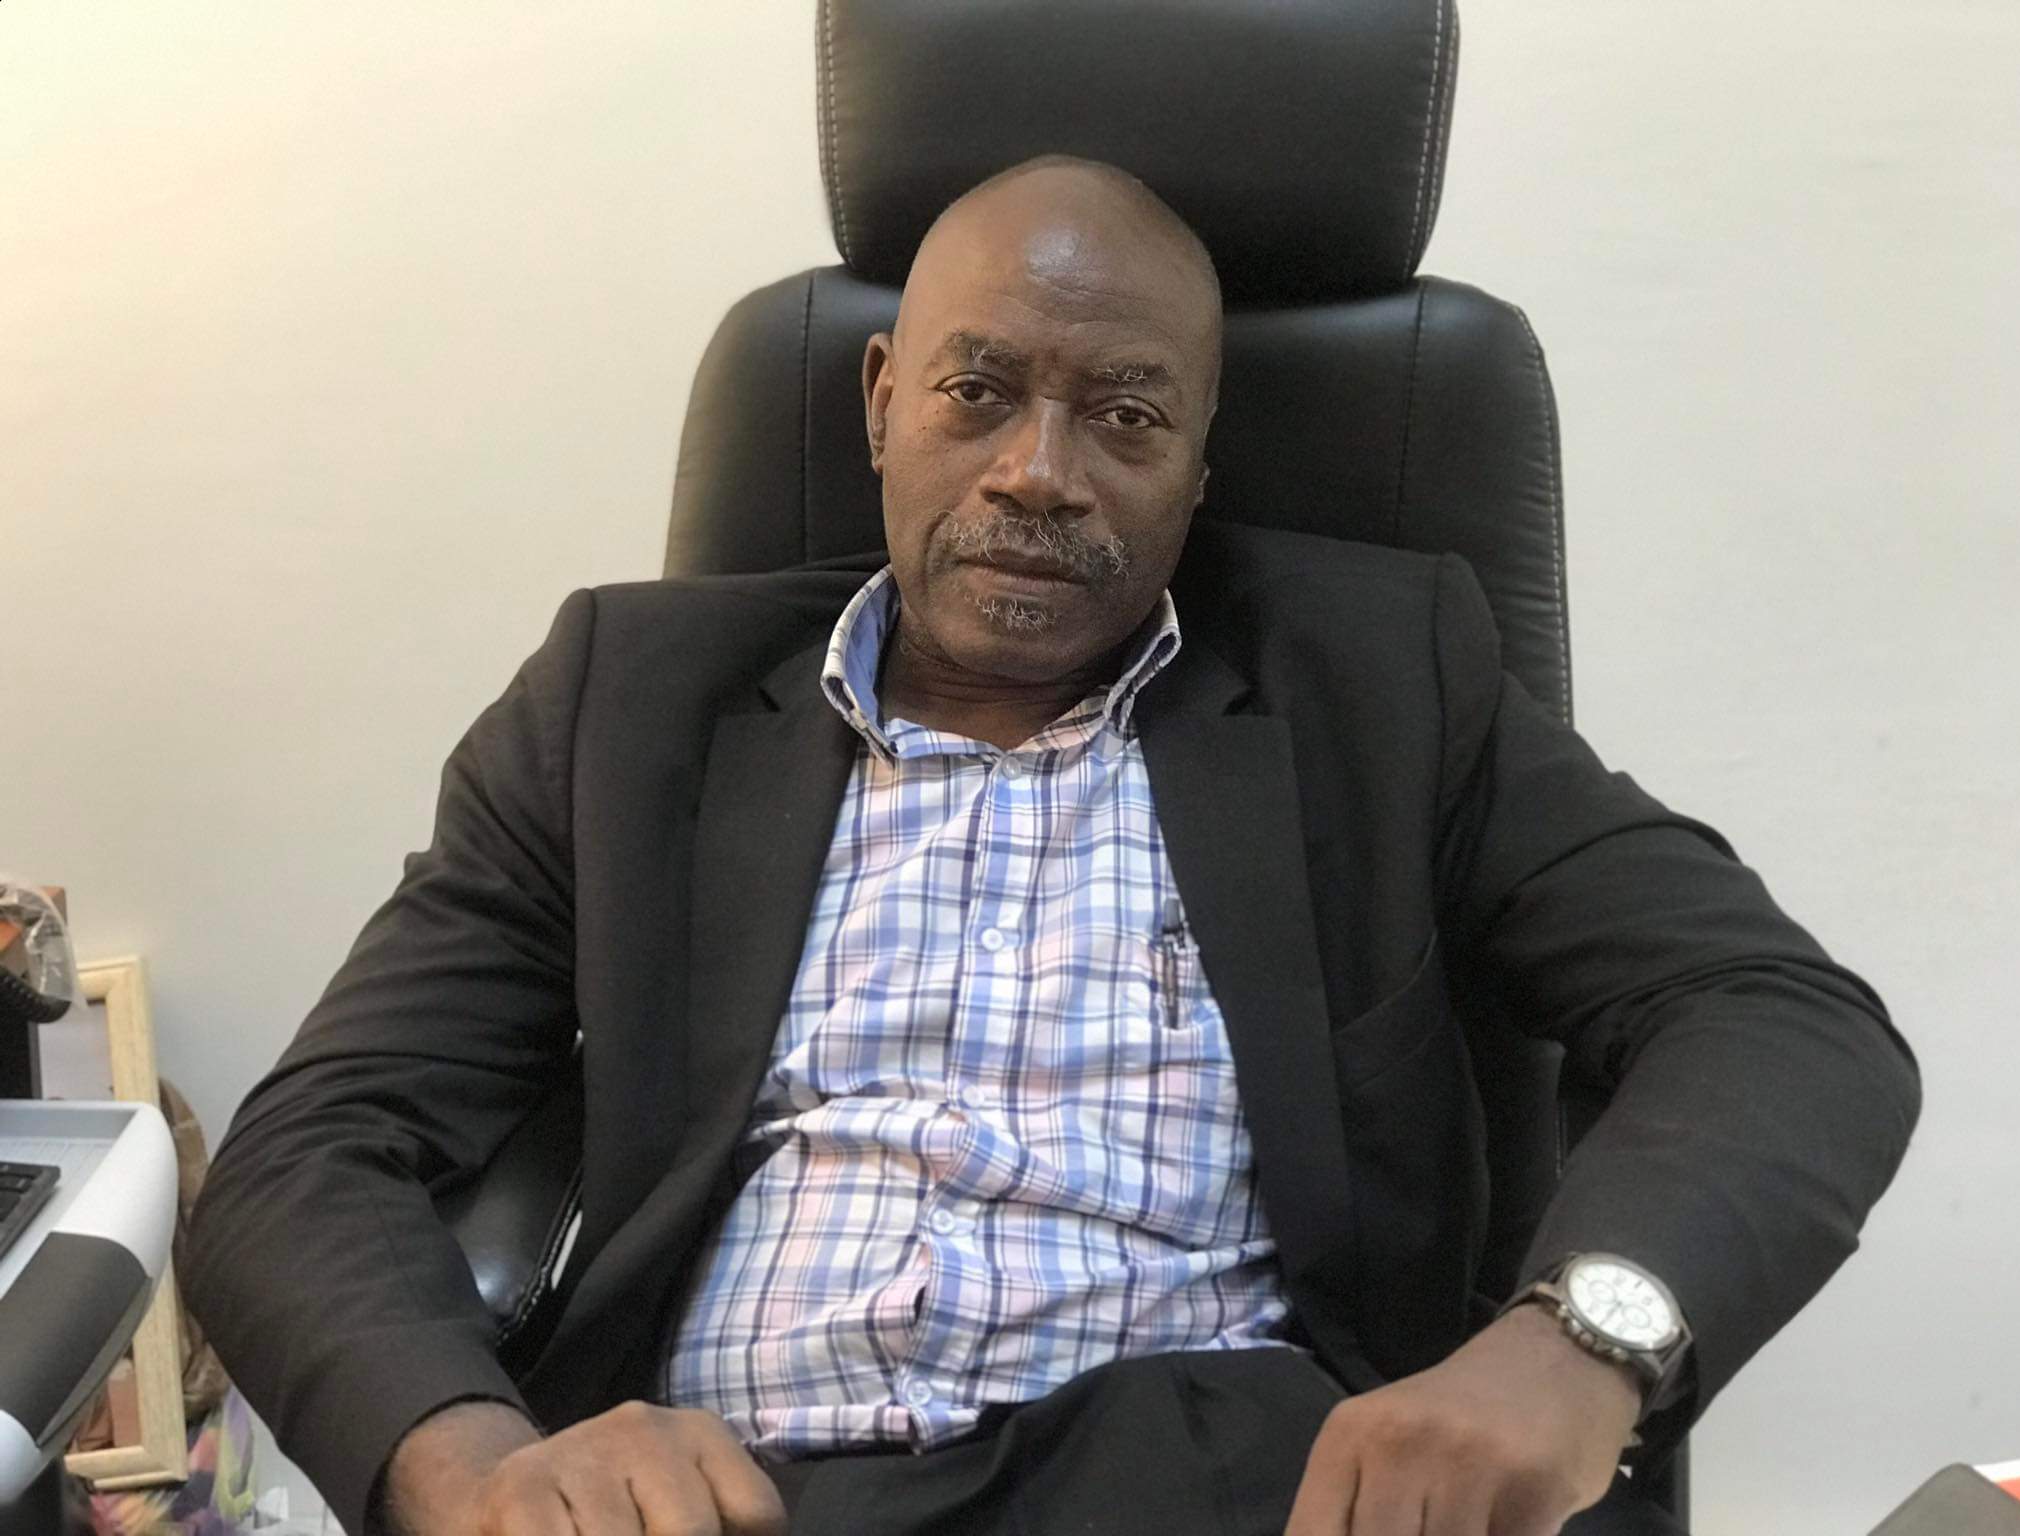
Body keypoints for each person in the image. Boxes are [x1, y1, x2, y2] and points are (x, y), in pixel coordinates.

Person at [184, 157, 1920, 1536]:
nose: (1037, 471)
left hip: (1223, 1475)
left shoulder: (1388, 681)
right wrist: (474, 1462)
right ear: (882, 400)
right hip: (738, 1489)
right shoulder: (624, 700)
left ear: (1199, 460)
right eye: (980, 389)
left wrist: (1577, 1347)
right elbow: (309, 1148)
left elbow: (1776, 1017)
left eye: (1126, 414)